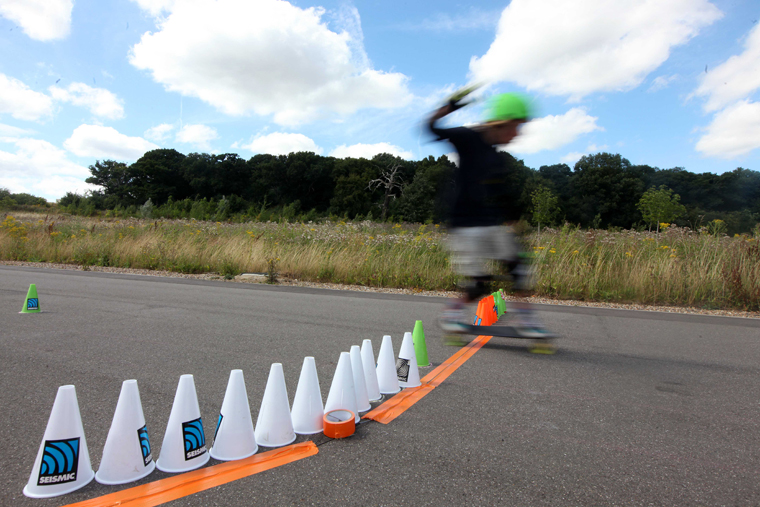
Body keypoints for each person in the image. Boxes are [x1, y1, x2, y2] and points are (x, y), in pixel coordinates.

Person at [428, 90, 551, 341]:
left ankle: (527, 320)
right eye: (516, 127)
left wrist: (516, 221)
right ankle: (451, 315)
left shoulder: (497, 158)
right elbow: (432, 130)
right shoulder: (468, 138)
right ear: (501, 122)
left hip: (489, 222)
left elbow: (503, 194)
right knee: (479, 284)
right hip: (463, 225)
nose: (517, 134)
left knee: (518, 267)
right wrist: (448, 107)